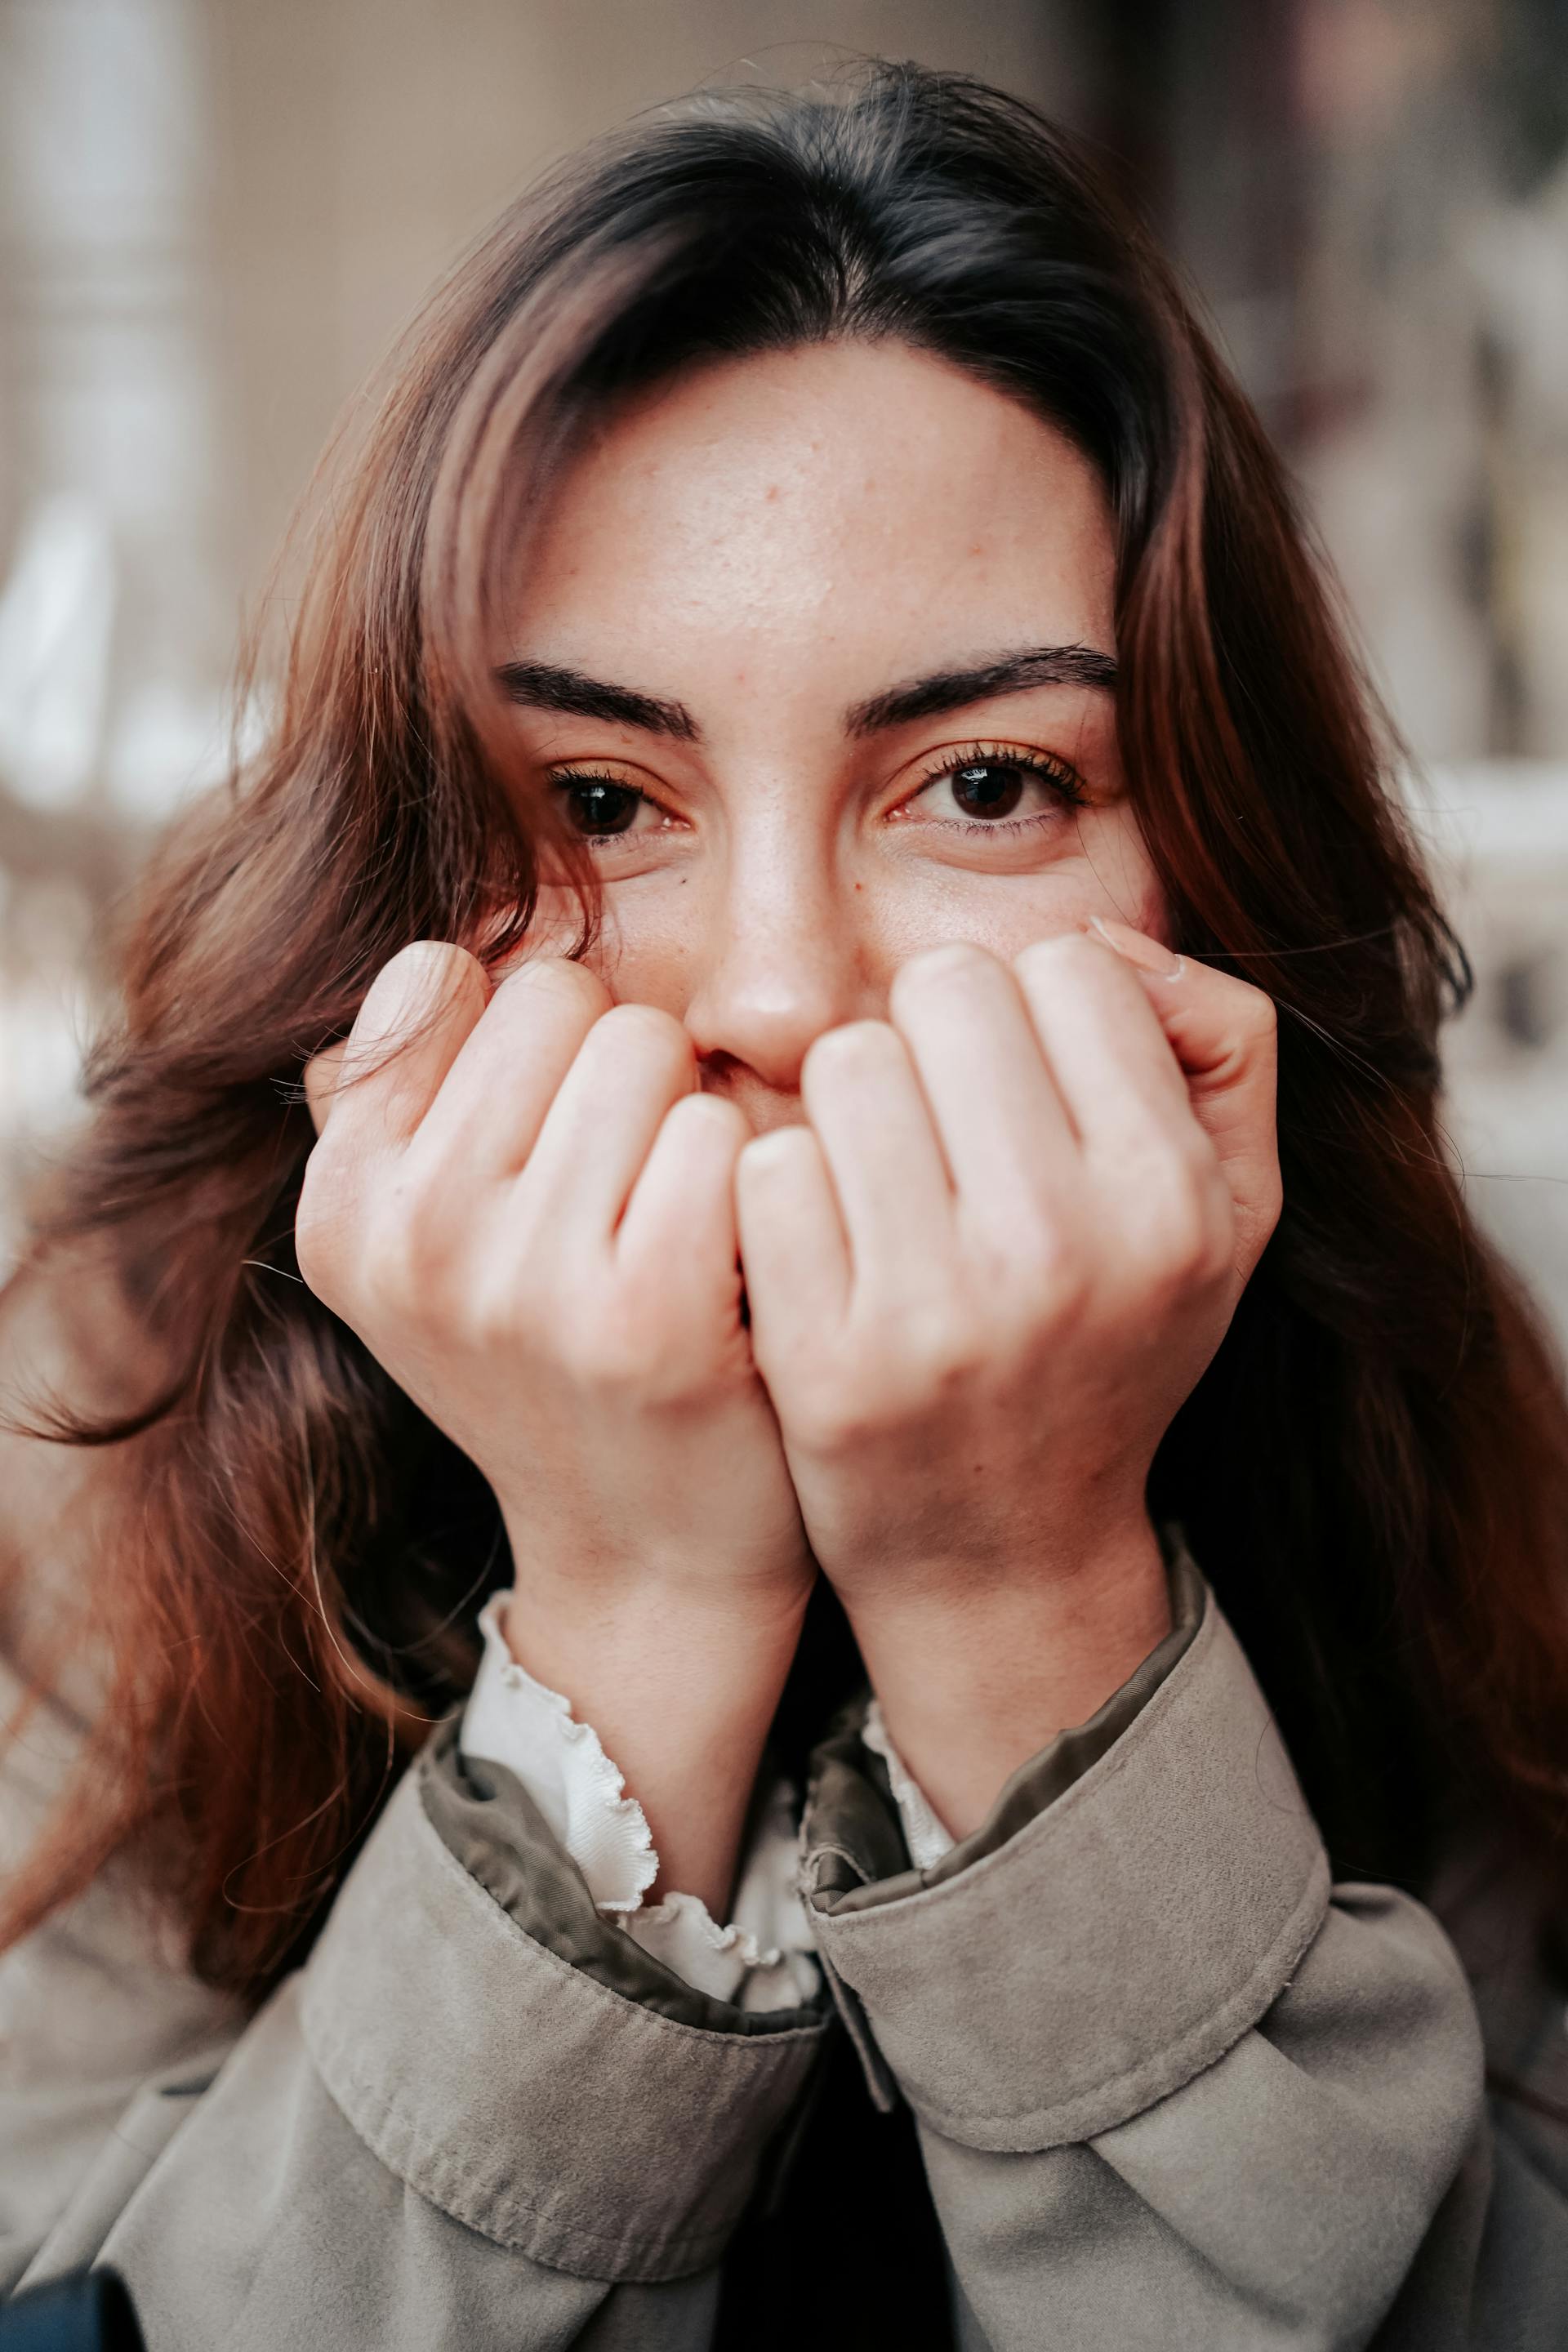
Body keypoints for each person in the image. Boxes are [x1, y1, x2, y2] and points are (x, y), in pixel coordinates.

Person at [2, 56, 1566, 2350]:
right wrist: (633, 1610)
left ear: (1214, 883)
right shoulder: (114, 1433)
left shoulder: (1448, 1453)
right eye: (604, 795)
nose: (773, 988)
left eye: (988, 783)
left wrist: (1025, 1589)